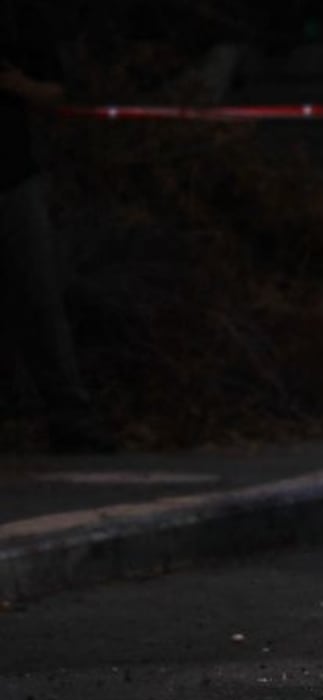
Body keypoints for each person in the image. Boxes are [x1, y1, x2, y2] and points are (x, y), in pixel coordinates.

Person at [1, 2, 114, 453]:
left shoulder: (17, 15)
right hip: (15, 175)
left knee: (38, 297)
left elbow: (56, 89)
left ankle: (70, 416)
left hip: (12, 175)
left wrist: (18, 86)